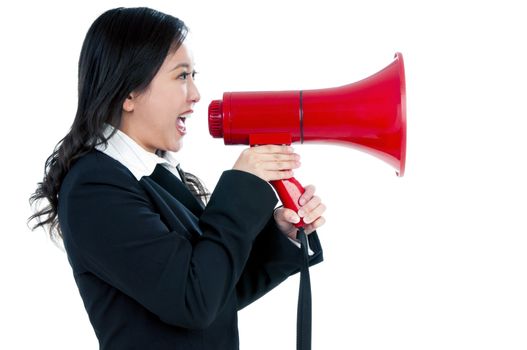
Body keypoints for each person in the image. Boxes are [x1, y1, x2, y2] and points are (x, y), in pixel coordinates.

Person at [29, 7, 326, 350]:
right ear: (129, 93)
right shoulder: (94, 189)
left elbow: (216, 293)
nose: (196, 94)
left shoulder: (155, 176)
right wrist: (242, 185)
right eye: (182, 76)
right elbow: (192, 300)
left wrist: (278, 235)